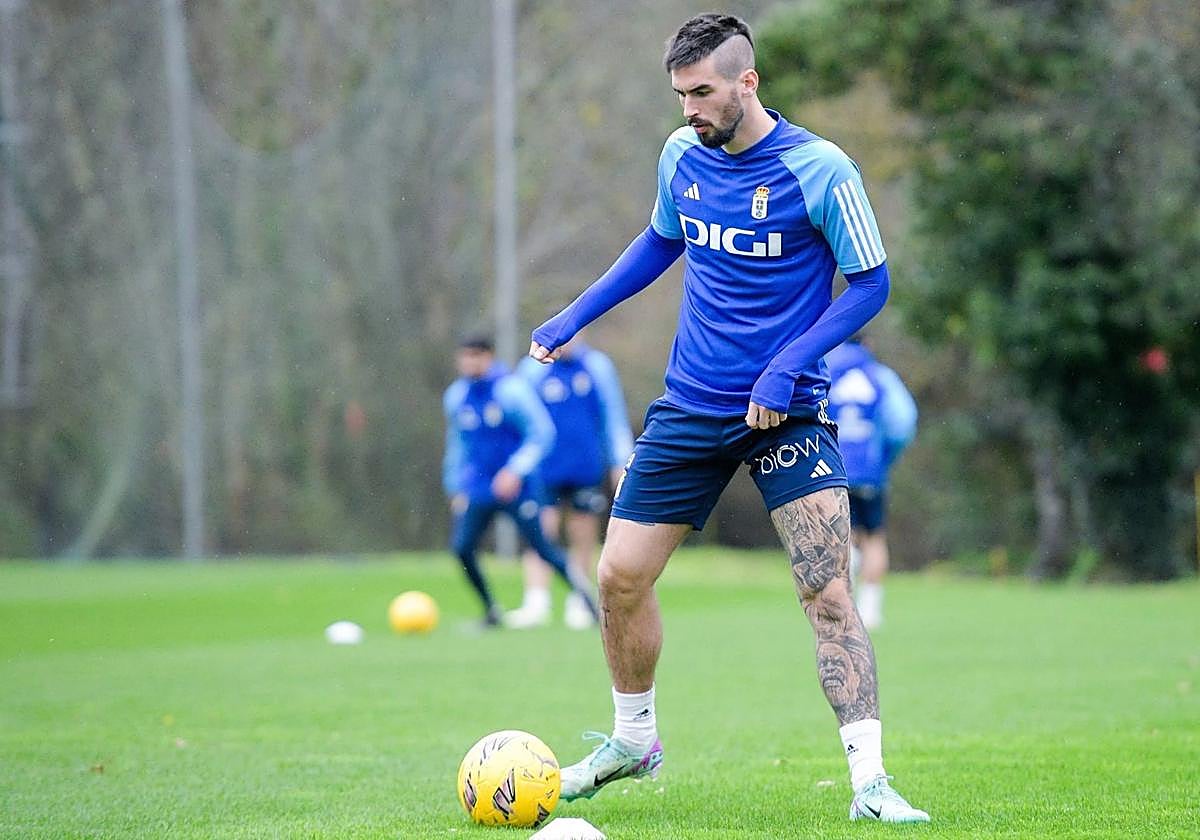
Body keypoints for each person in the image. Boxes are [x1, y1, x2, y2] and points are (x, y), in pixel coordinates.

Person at [526, 13, 929, 823]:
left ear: (748, 82)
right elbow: (658, 242)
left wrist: (787, 364)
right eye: (681, 95)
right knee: (618, 576)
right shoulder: (682, 155)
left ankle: (871, 785)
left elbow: (871, 284)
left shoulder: (821, 170)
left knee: (826, 591)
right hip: (691, 404)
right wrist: (574, 316)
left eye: (703, 92)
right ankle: (633, 740)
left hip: (789, 413)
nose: (690, 110)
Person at [442, 334, 600, 628]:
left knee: (545, 548)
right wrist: (455, 485)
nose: (470, 363)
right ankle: (491, 610)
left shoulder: (511, 390)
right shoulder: (456, 397)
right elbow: (458, 444)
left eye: (476, 356)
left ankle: (588, 603)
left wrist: (516, 470)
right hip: (479, 487)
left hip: (517, 488)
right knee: (462, 547)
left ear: (488, 357)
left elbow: (541, 433)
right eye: (465, 357)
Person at [505, 332, 635, 630]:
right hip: (544, 468)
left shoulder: (597, 366)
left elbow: (613, 416)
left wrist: (620, 461)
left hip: (585, 465)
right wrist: (517, 465)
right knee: (542, 531)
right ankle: (536, 600)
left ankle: (579, 600)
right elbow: (518, 420)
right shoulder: (532, 369)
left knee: (582, 531)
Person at [825, 336, 918, 631]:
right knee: (874, 537)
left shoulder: (827, 371)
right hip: (869, 471)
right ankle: (871, 609)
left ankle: (847, 591)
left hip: (833, 467)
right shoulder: (880, 376)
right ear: (868, 345)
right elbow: (902, 421)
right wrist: (886, 455)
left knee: (843, 534)